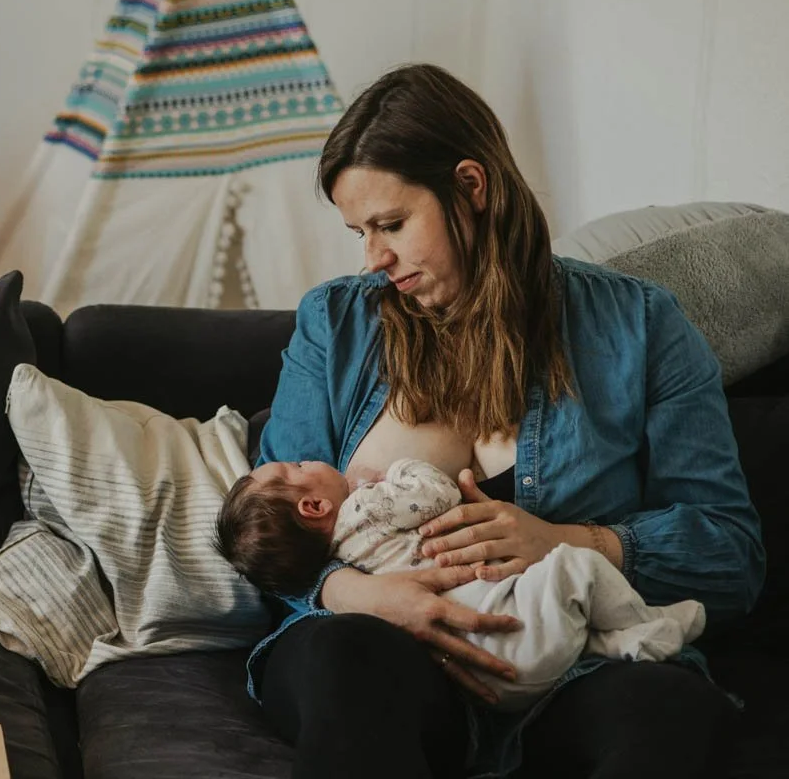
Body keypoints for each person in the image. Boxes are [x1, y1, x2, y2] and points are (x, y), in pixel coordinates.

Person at [245, 63, 763, 778]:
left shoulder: (642, 327)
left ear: (471, 186)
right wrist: (353, 593)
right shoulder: (334, 325)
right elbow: (262, 539)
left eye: (392, 224)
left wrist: (574, 541)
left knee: (666, 710)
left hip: (574, 670)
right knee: (338, 656)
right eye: (360, 232)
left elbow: (732, 557)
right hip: (384, 659)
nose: (375, 258)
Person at [216, 455, 707, 711]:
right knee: (574, 569)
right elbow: (435, 492)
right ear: (315, 507)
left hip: (490, 681)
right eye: (299, 468)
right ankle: (648, 628)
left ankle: (612, 643)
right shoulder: (366, 504)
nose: (307, 460)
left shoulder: (344, 553)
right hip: (505, 631)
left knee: (567, 618)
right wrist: (392, 473)